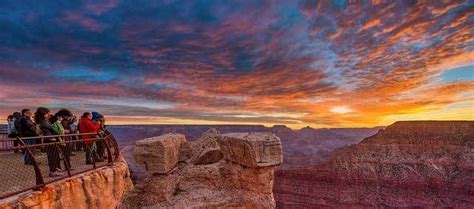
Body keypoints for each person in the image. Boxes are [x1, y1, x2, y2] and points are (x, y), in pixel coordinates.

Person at [35, 107, 62, 177]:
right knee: (52, 156)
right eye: (48, 113)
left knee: (55, 155)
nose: (49, 114)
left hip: (51, 139)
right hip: (49, 139)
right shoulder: (43, 121)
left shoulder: (46, 121)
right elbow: (51, 129)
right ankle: (52, 171)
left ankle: (55, 169)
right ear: (44, 114)